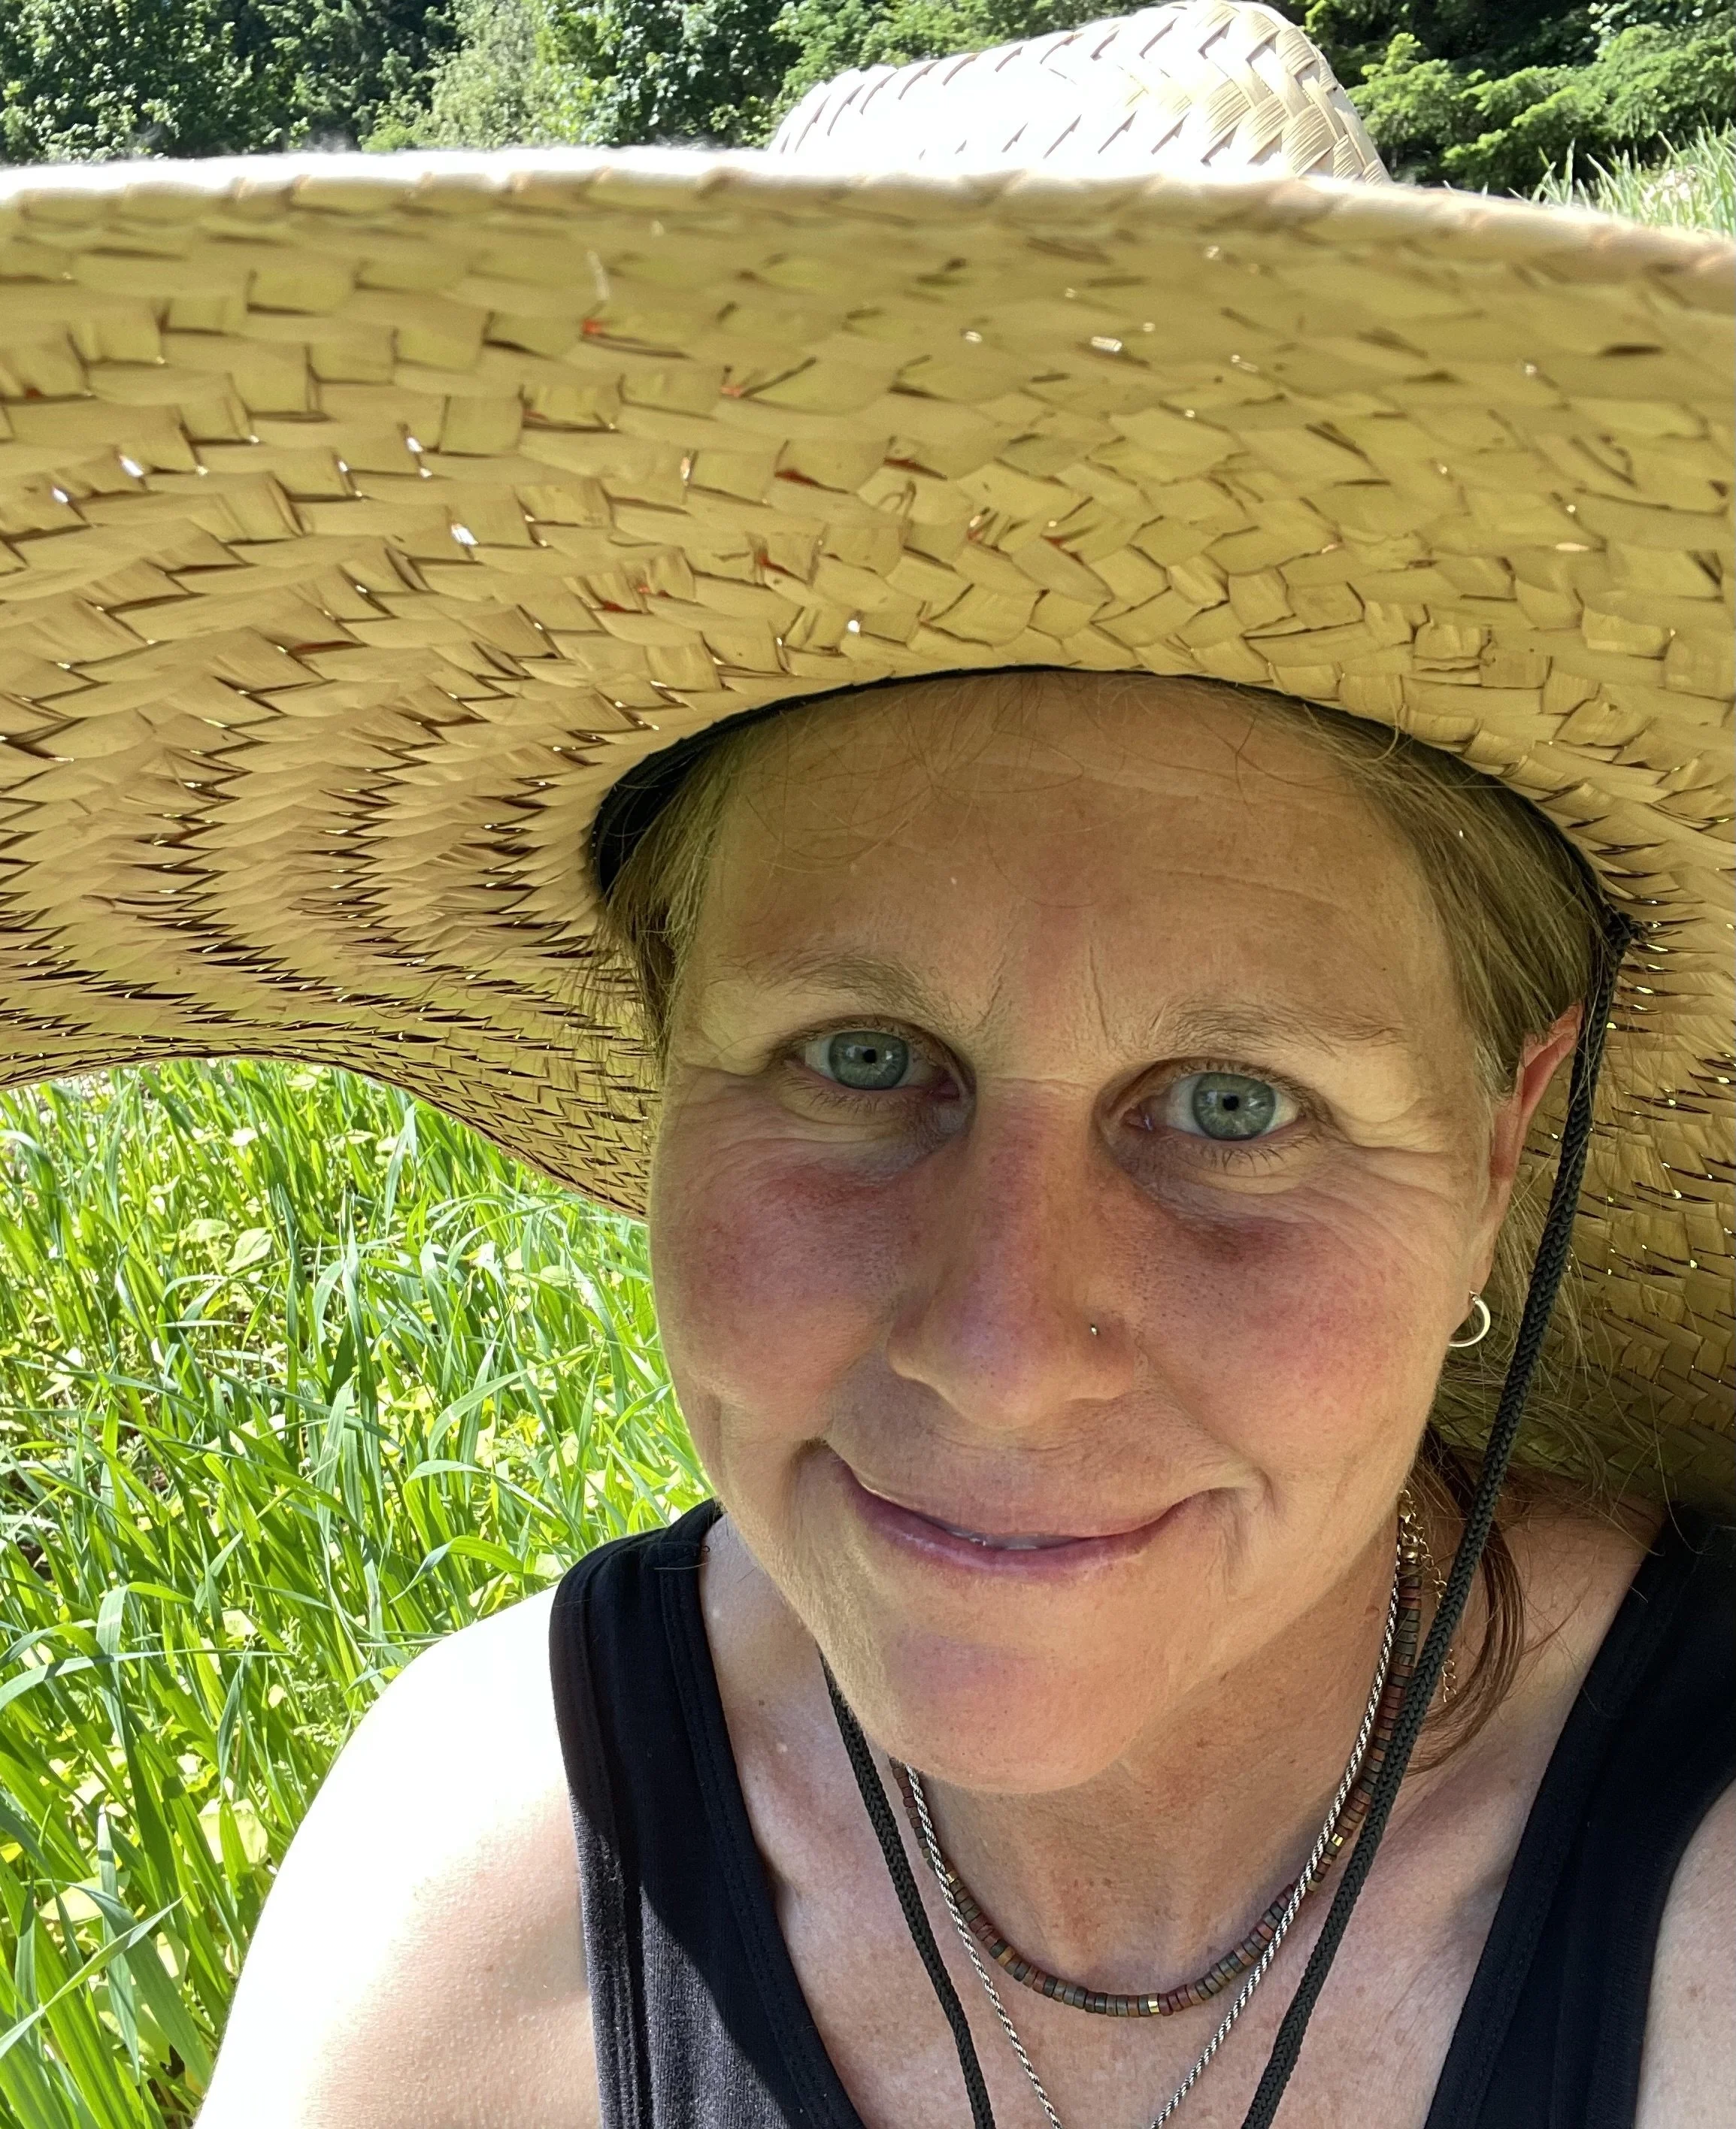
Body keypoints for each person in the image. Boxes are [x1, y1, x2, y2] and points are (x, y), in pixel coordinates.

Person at [0, 7, 1728, 2127]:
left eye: (1231, 1104)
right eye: (858, 1054)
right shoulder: (479, 1905)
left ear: (1497, 1145)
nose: (1003, 1353)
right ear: (662, 1066)